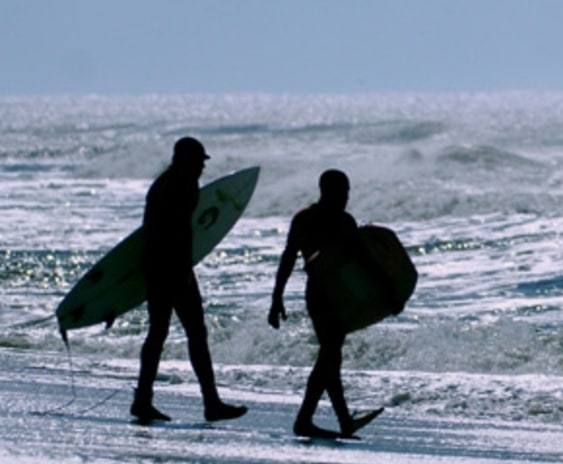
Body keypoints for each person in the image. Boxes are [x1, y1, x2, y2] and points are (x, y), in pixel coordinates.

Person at [131, 137, 247, 424]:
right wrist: (182, 271)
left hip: (161, 265)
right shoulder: (179, 185)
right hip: (170, 267)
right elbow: (176, 232)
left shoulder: (167, 182)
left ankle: (145, 400)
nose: (201, 168)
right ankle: (209, 404)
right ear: (184, 160)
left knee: (164, 332)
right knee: (191, 332)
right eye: (198, 162)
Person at [269, 169, 382, 439]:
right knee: (330, 355)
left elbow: (362, 262)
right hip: (328, 295)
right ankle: (305, 419)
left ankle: (344, 420)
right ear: (327, 191)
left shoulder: (311, 219)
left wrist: (277, 298)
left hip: (330, 294)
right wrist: (276, 299)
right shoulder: (334, 221)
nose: (345, 197)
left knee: (331, 356)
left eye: (347, 192)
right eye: (342, 192)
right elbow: (288, 259)